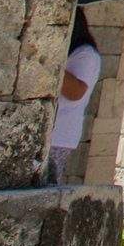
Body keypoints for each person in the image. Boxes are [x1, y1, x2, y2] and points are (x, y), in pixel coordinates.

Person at [47, 11, 101, 183]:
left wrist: (51, 63)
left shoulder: (85, 54)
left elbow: (76, 92)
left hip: (59, 134)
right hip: (53, 132)